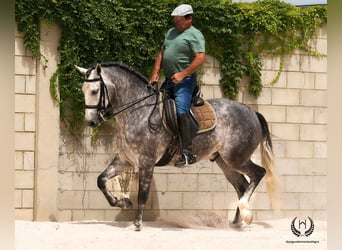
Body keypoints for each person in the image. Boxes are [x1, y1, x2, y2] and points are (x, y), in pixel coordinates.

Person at [150, 4, 206, 166]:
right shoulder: (171, 32)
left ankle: (188, 153)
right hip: (168, 80)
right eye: (174, 20)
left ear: (189, 19)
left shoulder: (195, 35)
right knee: (156, 107)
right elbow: (162, 53)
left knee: (181, 110)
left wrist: (183, 74)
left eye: (178, 20)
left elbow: (200, 58)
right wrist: (155, 73)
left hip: (185, 81)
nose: (175, 22)